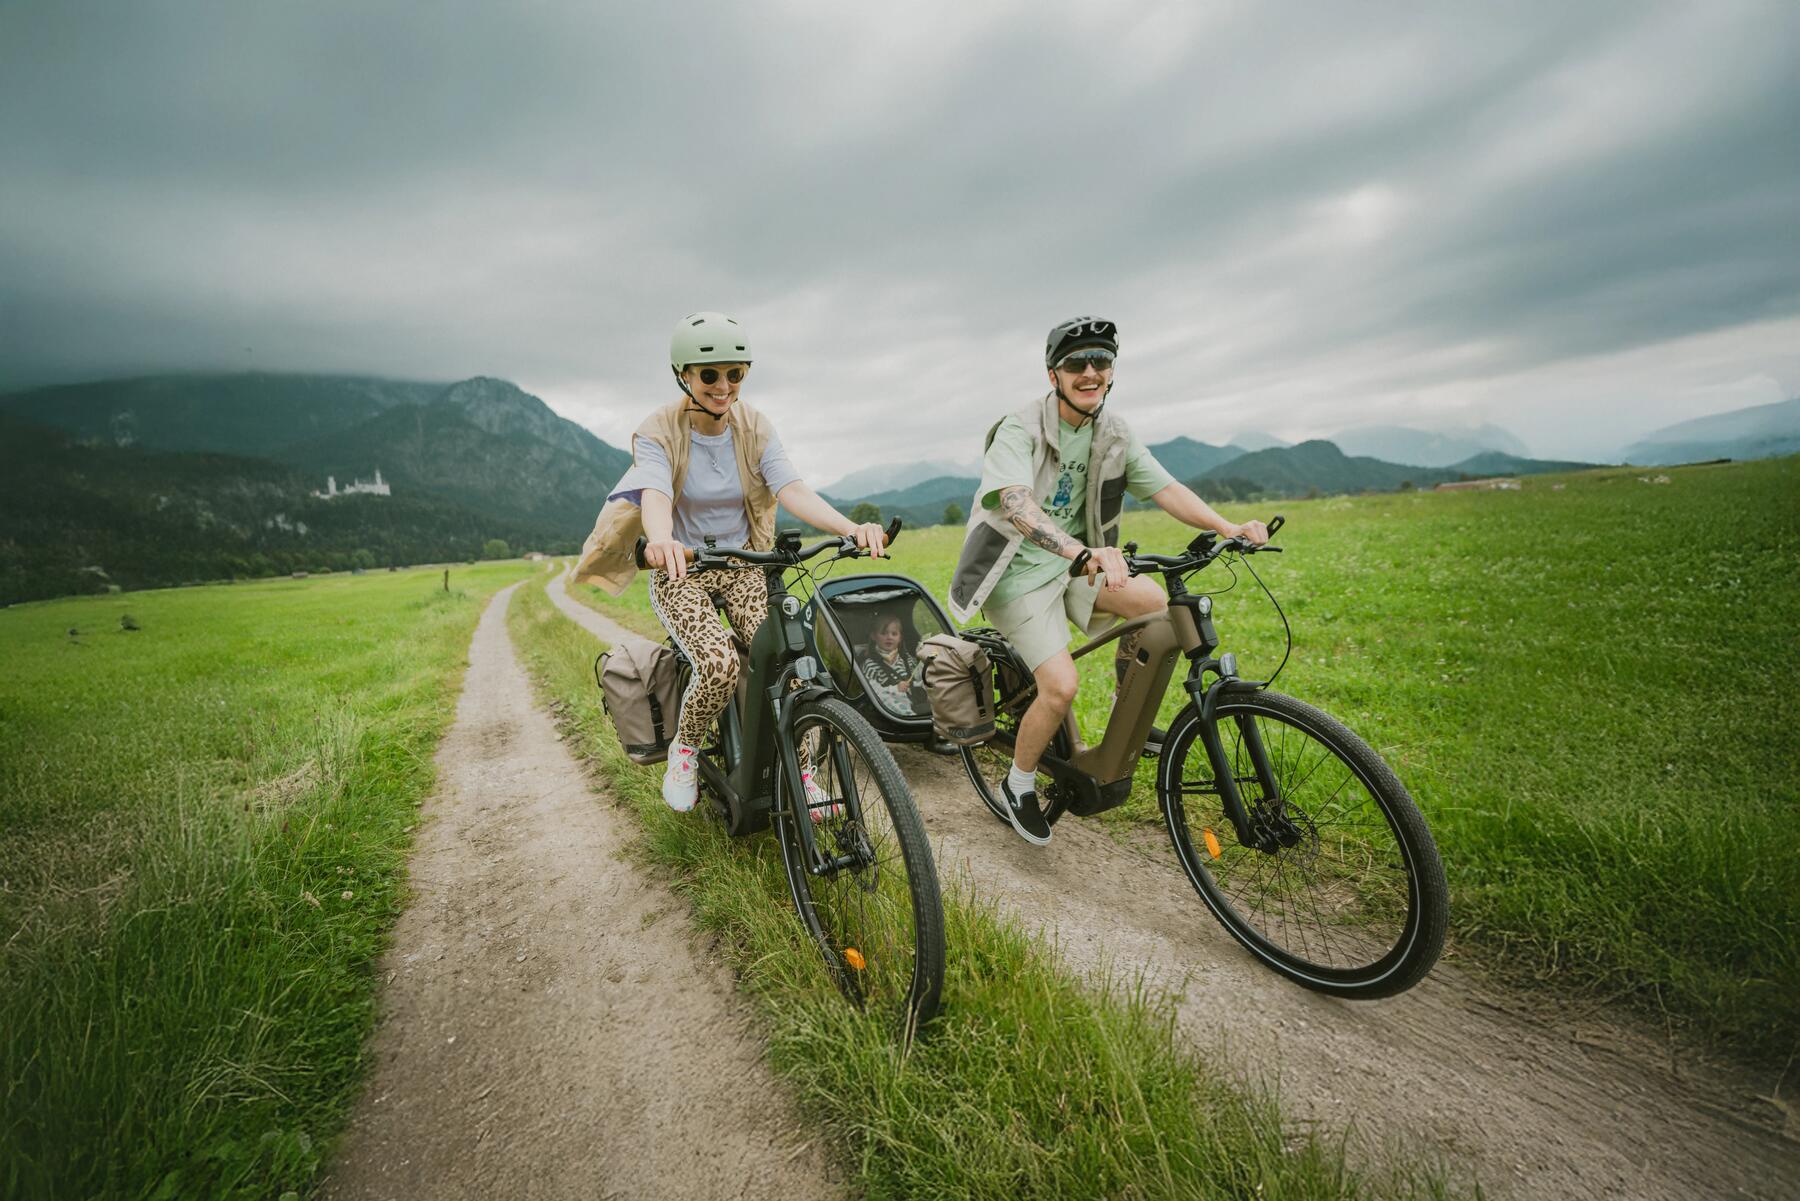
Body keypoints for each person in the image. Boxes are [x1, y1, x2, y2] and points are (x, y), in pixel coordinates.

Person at [947, 316, 1268, 845]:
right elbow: (1015, 502)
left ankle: (1127, 723)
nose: (1090, 371)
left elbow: (1165, 488)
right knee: (1060, 687)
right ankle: (1017, 783)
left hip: (1079, 564)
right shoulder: (1018, 428)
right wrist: (1079, 550)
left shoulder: (1114, 432)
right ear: (1054, 375)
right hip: (1016, 574)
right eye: (1076, 363)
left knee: (1155, 607)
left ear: (1112, 372)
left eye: (1101, 361)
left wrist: (1227, 526)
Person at [573, 312, 887, 812]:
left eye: (734, 374)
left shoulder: (755, 426)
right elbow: (654, 492)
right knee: (717, 664)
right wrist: (662, 542)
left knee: (793, 663)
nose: (724, 386)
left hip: (743, 564)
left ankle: (803, 771)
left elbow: (792, 488)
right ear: (684, 376)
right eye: (710, 375)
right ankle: (687, 747)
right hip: (683, 569)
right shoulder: (658, 430)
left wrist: (850, 528)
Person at [855, 612, 927, 716]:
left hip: (914, 700)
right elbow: (873, 692)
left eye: (894, 634)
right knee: (887, 699)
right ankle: (910, 718)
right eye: (884, 633)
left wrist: (924, 663)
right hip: (889, 706)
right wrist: (895, 689)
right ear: (874, 636)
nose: (889, 637)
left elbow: (917, 678)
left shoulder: (906, 659)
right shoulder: (870, 665)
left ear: (900, 638)